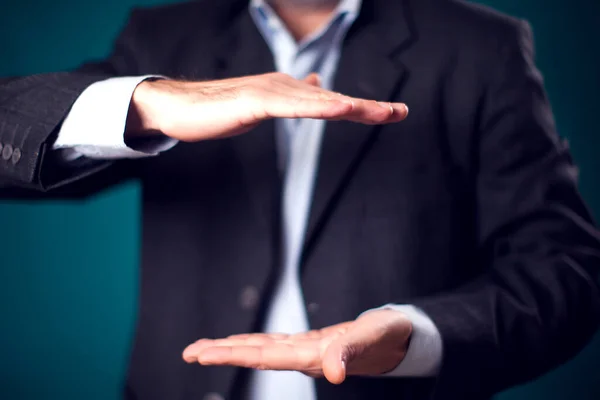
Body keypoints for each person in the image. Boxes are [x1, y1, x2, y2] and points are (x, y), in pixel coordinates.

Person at [1, 0, 599, 399]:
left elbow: (564, 270)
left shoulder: (479, 47)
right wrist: (148, 104)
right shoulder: (165, 36)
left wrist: (415, 333)